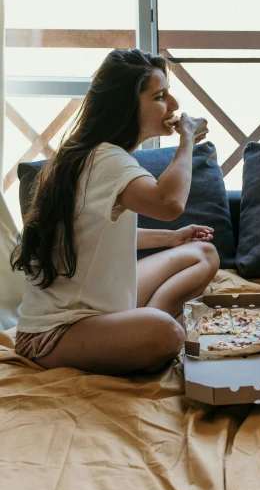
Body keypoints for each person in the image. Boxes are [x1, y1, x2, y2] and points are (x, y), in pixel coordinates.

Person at [11, 49, 220, 376]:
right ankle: (146, 330)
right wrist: (188, 140)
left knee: (202, 253)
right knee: (167, 333)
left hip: (102, 309)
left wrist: (173, 238)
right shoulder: (106, 160)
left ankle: (134, 331)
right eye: (160, 96)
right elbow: (169, 203)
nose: (174, 106)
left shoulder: (97, 154)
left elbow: (98, 235)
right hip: (54, 333)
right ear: (126, 106)